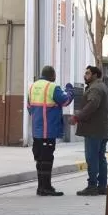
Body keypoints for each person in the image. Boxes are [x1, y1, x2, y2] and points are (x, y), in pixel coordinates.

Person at [27, 65, 73, 196]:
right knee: (47, 160)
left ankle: (41, 187)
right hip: (49, 130)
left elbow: (29, 108)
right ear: (52, 75)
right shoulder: (52, 87)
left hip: (37, 131)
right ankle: (46, 187)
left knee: (40, 160)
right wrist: (70, 90)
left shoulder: (32, 87)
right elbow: (65, 101)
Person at [74, 65, 108, 196]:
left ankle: (92, 186)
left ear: (95, 75)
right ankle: (102, 186)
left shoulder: (95, 88)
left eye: (88, 73)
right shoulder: (103, 87)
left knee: (92, 158)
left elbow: (92, 104)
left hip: (93, 130)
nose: (85, 76)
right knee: (101, 158)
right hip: (102, 129)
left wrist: (77, 117)